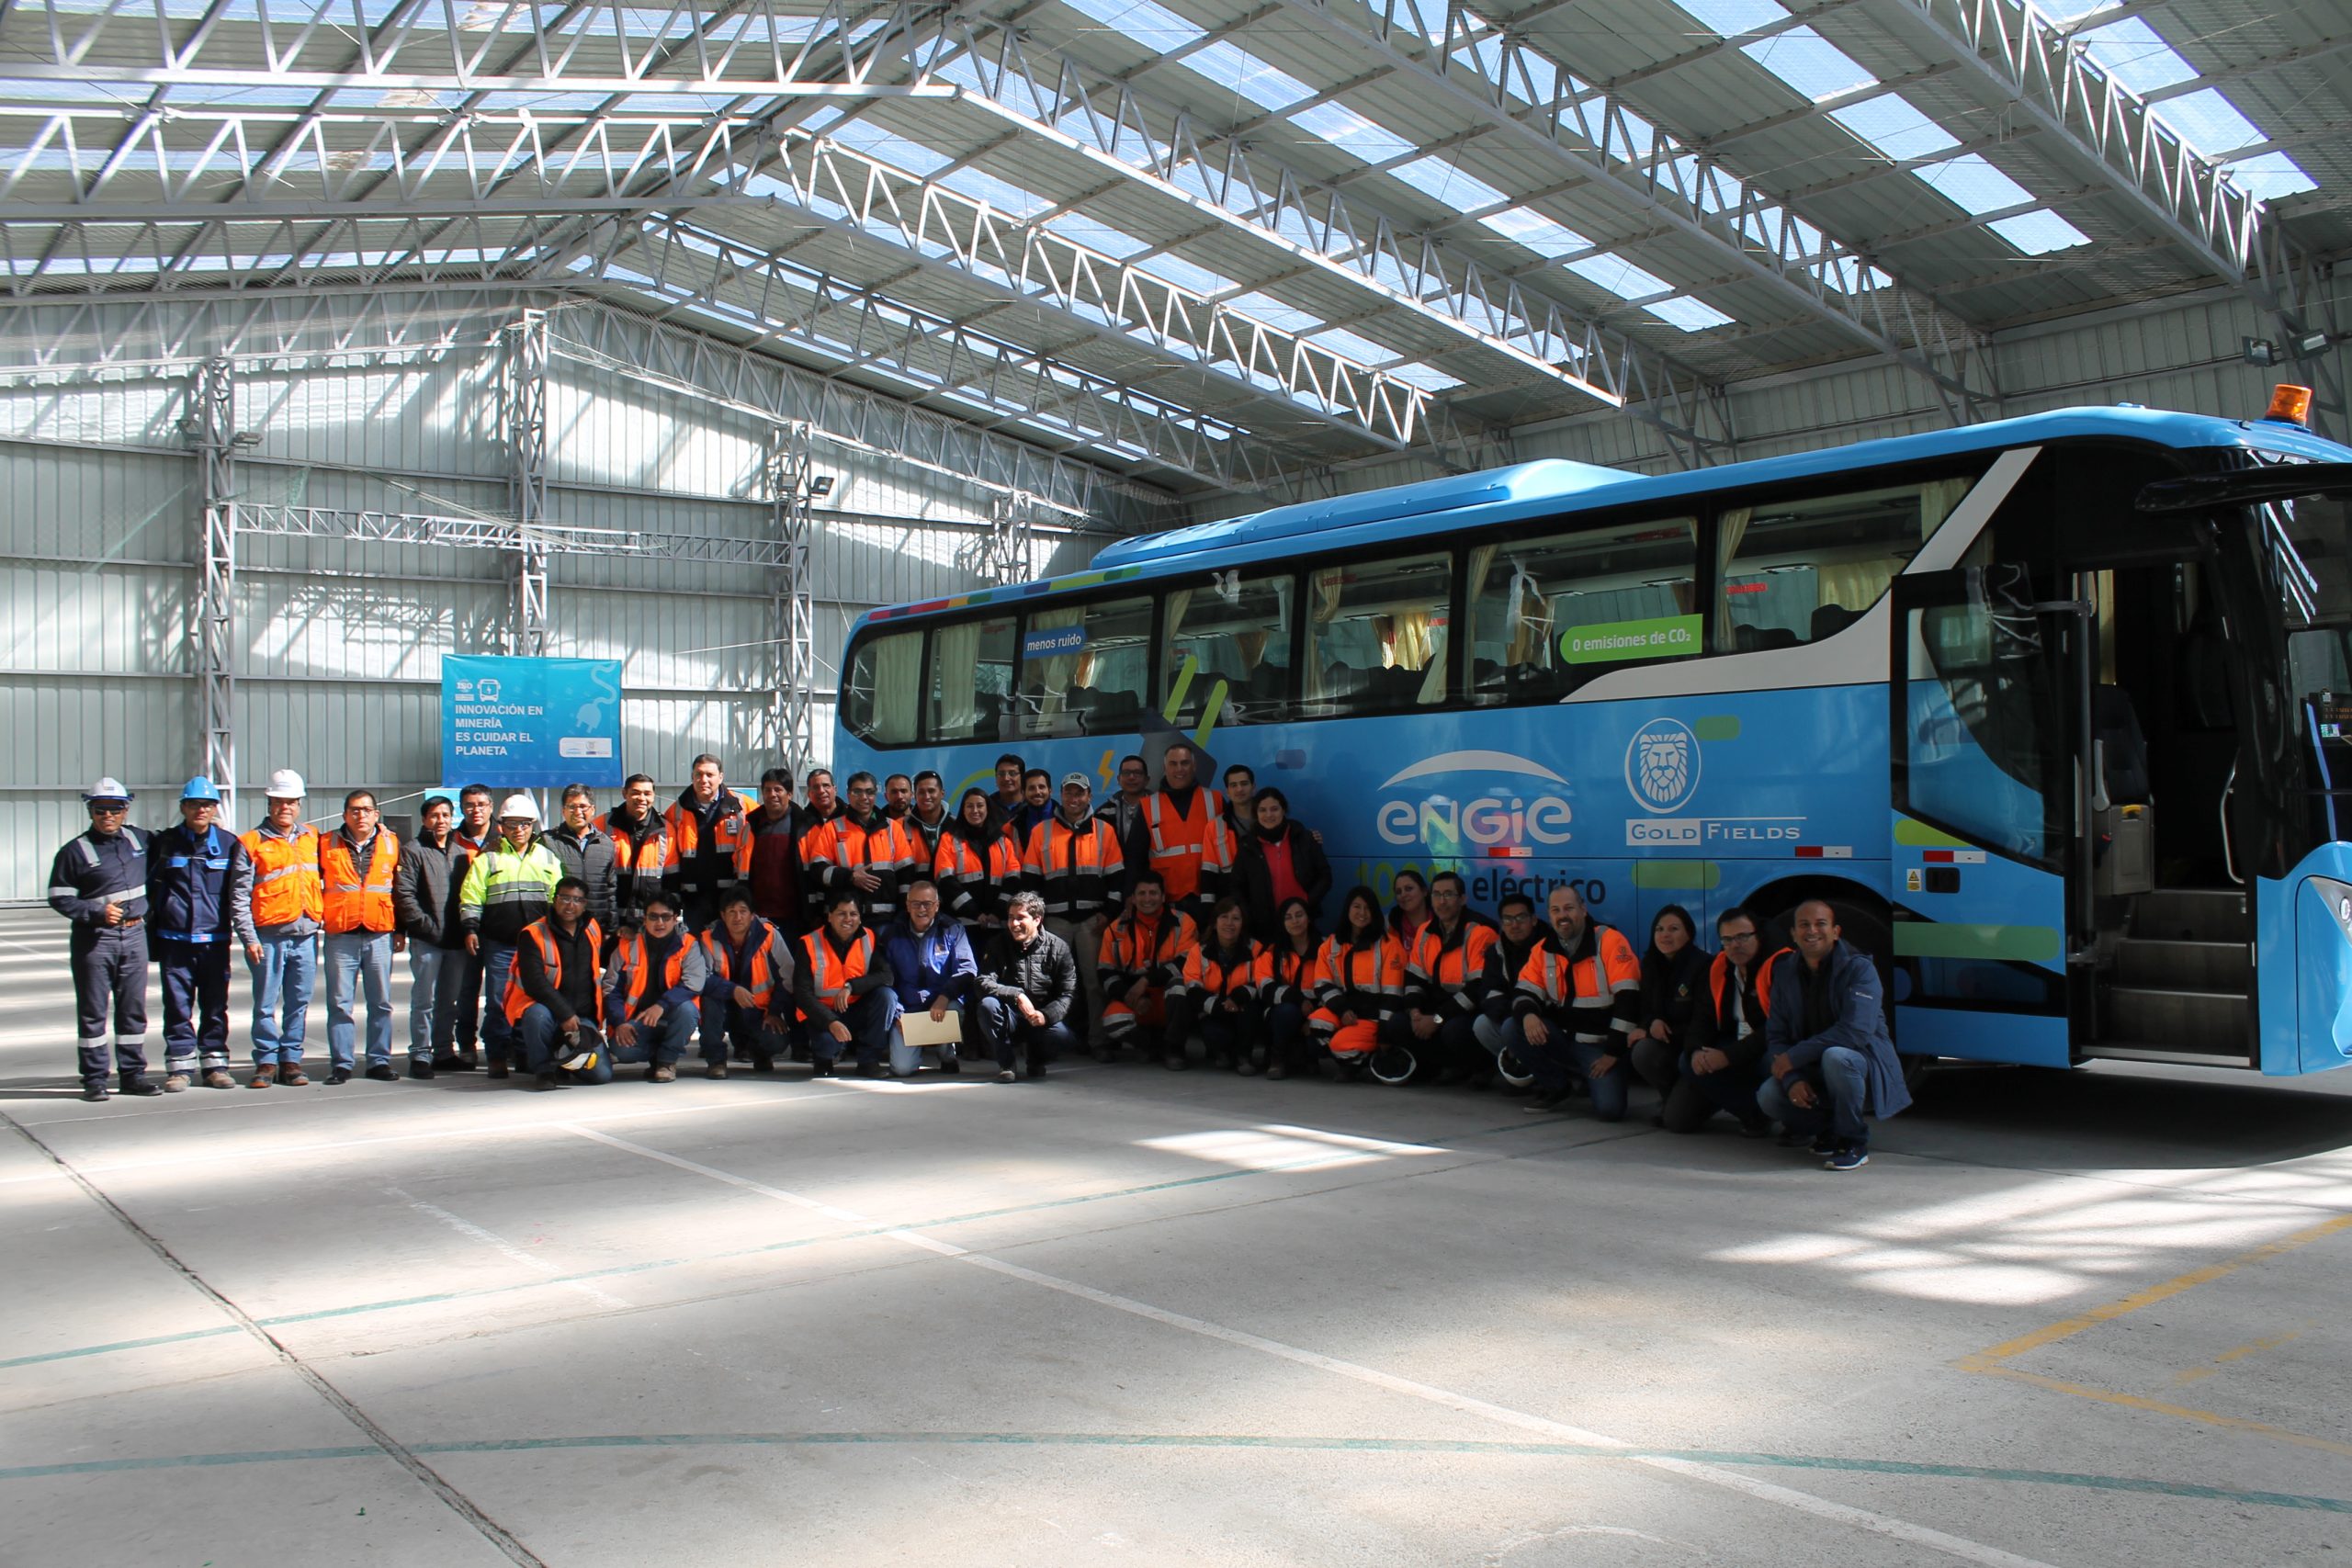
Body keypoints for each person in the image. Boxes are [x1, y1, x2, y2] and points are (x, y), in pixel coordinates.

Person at [1758, 901, 1910, 1170]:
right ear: (1793, 934)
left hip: (1861, 1066)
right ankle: (1826, 1131)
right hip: (1812, 1068)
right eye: (1804, 925)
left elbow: (1855, 1032)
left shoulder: (1859, 968)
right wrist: (1793, 1079)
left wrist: (1793, 1058)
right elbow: (1776, 1035)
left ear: (1836, 931)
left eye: (1820, 924)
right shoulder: (1784, 972)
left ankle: (1854, 1141)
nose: (1812, 930)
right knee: (1768, 1095)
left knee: (1837, 1057)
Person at [50, 777, 156, 1101]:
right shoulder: (74, 852)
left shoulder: (141, 841)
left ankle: (132, 1075)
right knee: (94, 1010)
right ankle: (95, 1079)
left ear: (126, 810)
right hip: (95, 941)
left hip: (136, 936)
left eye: (114, 809)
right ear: (90, 811)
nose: (107, 815)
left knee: (132, 1010)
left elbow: (179, 843)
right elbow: (59, 896)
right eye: (100, 809)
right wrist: (97, 913)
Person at [146, 776, 255, 1091]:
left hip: (214, 942)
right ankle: (179, 1068)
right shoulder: (165, 844)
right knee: (177, 1005)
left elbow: (239, 893)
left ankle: (215, 1065)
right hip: (174, 940)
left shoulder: (230, 844)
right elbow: (147, 885)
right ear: (183, 807)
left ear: (215, 809)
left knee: (214, 1005)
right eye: (194, 804)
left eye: (207, 805)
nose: (201, 810)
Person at [458, 793, 565, 1078]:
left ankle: (525, 1053)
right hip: (499, 944)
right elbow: (471, 896)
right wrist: (470, 928)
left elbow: (557, 899)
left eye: (524, 824)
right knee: (498, 1001)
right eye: (512, 824)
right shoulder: (488, 859)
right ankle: (496, 1054)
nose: (519, 829)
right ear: (501, 826)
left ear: (533, 826)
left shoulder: (547, 858)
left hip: (537, 947)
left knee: (533, 1000)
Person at [1513, 886, 1642, 1119]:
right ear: (1549, 915)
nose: (1563, 915)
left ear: (1583, 909)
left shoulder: (1610, 941)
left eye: (1569, 908)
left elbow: (1629, 999)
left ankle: (1596, 1076)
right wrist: (1529, 1015)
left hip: (1599, 1045)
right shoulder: (1542, 949)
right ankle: (1557, 1087)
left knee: (1610, 1111)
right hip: (1562, 1039)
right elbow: (1525, 989)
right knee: (1513, 1027)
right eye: (1556, 910)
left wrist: (1613, 1052)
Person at [1658, 907, 1787, 1136]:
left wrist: (1727, 1057)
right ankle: (1752, 1113)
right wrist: (1696, 1051)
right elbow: (1702, 1018)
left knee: (1772, 1059)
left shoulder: (1781, 965)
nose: (1735, 945)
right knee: (1682, 1089)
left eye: (1742, 937)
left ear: (1758, 935)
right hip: (1733, 1041)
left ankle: (1777, 1114)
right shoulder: (1719, 966)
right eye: (1727, 940)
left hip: (1768, 1045)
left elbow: (1777, 1028)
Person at [1021, 772, 1125, 1049]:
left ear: (1089, 796)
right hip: (1054, 922)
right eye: (1069, 793)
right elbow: (1031, 881)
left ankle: (1098, 1041)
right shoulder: (1041, 832)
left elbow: (1118, 881)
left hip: (1093, 922)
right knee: (1050, 984)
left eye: (1080, 793)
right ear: (1061, 795)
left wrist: (1108, 915)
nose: (1074, 798)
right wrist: (1037, 921)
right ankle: (1047, 1041)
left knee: (1094, 984)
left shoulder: (1105, 831)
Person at [241, 770, 323, 1089]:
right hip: (268, 936)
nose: (284, 808)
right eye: (278, 802)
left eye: (291, 802)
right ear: (269, 803)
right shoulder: (251, 842)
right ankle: (265, 1062)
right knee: (264, 1003)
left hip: (304, 935)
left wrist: (382, 827)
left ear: (299, 805)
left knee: (298, 1002)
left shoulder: (312, 838)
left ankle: (291, 1060)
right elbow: (239, 895)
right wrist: (248, 937)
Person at [320, 789, 403, 1086]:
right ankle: (342, 1063)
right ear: (344, 815)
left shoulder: (392, 843)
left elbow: (398, 890)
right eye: (355, 810)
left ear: (376, 814)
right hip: (340, 935)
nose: (361, 815)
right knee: (340, 1003)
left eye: (367, 810)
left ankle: (379, 1061)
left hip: (379, 933)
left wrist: (400, 929)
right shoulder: (325, 843)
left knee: (380, 1002)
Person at [1400, 872, 1500, 1085]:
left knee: (1454, 1031)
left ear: (1462, 899)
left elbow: (1477, 990)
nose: (1441, 901)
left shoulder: (1480, 932)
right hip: (1437, 1007)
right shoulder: (1425, 931)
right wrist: (1415, 1011)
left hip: (1469, 1010)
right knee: (1398, 1024)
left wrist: (1436, 1019)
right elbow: (1413, 979)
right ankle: (1447, 1066)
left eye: (1448, 894)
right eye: (1437, 894)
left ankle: (1482, 1068)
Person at [393, 792, 468, 1078]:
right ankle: (420, 1054)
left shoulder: (460, 853)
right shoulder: (413, 850)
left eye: (446, 815)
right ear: (425, 819)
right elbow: (404, 894)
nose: (441, 820)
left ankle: (444, 1051)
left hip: (456, 940)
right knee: (424, 1000)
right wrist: (425, 925)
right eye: (435, 815)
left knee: (449, 1000)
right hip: (428, 939)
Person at [508, 877, 606, 1089]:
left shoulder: (592, 928)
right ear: (554, 900)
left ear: (585, 904)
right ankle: (544, 1070)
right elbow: (534, 983)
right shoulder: (532, 933)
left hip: (582, 1019)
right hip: (549, 1012)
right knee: (537, 1016)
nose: (570, 905)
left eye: (577, 900)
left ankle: (563, 1059)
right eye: (565, 898)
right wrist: (565, 1014)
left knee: (601, 1075)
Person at [1096, 870, 1199, 1066]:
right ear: (1133, 898)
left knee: (1181, 987)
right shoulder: (1116, 928)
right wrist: (1130, 997)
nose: (1147, 898)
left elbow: (1187, 962)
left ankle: (1174, 1051)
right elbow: (1105, 972)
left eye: (1153, 893)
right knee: (1112, 1020)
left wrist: (1147, 981)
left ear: (1163, 896)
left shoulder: (1184, 922)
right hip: (1137, 1000)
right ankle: (1152, 1047)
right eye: (1142, 893)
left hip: (1169, 999)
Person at [1307, 886, 1409, 1079]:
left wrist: (1384, 1034)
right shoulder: (1331, 944)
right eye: (1356, 906)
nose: (1362, 913)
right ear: (1347, 909)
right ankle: (1351, 1058)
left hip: (1374, 1015)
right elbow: (1322, 984)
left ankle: (1362, 1059)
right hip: (1347, 1010)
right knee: (1317, 1022)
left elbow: (1393, 995)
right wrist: (1342, 1010)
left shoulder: (1389, 944)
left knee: (1339, 1045)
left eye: (1367, 908)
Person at [794, 889, 898, 1079]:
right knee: (827, 1046)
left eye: (853, 914)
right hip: (822, 1013)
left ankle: (868, 1062)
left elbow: (886, 976)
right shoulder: (808, 943)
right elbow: (802, 994)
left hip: (856, 1007)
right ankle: (823, 1058)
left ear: (860, 918)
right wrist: (830, 1022)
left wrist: (851, 987)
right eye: (841, 913)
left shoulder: (869, 938)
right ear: (830, 916)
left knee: (887, 996)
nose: (847, 919)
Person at [975, 890, 1078, 1081]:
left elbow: (1067, 994)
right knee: (987, 1006)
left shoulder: (1059, 948)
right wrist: (1017, 995)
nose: (1014, 924)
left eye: (1020, 918)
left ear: (1037, 920)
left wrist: (1045, 1016)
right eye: (1011, 918)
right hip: (1010, 1016)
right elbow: (983, 982)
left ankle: (1036, 1061)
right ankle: (1007, 1064)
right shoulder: (997, 944)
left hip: (1040, 1018)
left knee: (1064, 1038)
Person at [603, 891, 705, 1082]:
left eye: (666, 917)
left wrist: (661, 1006)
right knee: (620, 1051)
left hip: (672, 1017)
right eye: (653, 917)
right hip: (639, 1021)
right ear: (644, 919)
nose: (659, 923)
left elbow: (694, 983)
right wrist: (620, 1023)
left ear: (675, 918)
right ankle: (657, 1056)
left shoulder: (689, 944)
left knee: (688, 1009)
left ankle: (666, 1061)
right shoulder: (627, 945)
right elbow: (611, 989)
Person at [881, 879, 977, 1077]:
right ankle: (913, 1051)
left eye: (927, 904)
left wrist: (943, 998)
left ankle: (947, 1055)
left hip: (942, 1003)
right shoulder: (892, 933)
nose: (921, 909)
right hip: (908, 1007)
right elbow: (885, 978)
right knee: (902, 1069)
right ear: (907, 906)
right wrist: (897, 1013)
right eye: (915, 903)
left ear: (937, 905)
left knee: (953, 1009)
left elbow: (967, 969)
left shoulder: (952, 929)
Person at [695, 890, 795, 1077]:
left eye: (743, 911)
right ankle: (716, 1061)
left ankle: (760, 1053)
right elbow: (702, 978)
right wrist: (733, 990)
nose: (737, 917)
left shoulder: (769, 935)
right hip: (723, 1005)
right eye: (731, 911)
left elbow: (788, 975)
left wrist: (774, 1011)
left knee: (776, 1042)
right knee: (708, 1001)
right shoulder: (708, 938)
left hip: (759, 1009)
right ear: (723, 915)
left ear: (752, 915)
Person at [802, 771, 920, 927]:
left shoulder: (892, 828)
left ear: (875, 795)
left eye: (869, 792)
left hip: (886, 920)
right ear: (848, 795)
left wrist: (903, 914)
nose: (864, 797)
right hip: (845, 920)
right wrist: (850, 877)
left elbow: (906, 875)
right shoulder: (833, 828)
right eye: (857, 792)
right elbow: (818, 870)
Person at [1631, 906, 1708, 1123]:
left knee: (1678, 1123)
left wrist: (1666, 1031)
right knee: (1642, 1051)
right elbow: (1644, 1008)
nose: (1665, 934)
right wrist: (1651, 1022)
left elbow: (1703, 1020)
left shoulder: (1703, 965)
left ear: (1689, 933)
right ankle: (1671, 1098)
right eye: (1659, 929)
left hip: (1693, 1049)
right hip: (1667, 1045)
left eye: (1674, 929)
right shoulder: (1650, 963)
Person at [1142, 741, 1233, 925]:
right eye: (1173, 764)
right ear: (1164, 767)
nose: (1179, 769)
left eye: (1185, 763)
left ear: (1194, 766)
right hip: (1167, 899)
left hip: (1211, 896)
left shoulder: (1215, 799)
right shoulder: (1148, 806)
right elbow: (1136, 855)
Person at [1175, 897, 1263, 1073]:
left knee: (1252, 1012)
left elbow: (1262, 982)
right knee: (1213, 1032)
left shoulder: (1256, 949)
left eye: (1236, 918)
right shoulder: (1198, 950)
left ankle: (1243, 1057)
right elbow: (1192, 988)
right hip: (1213, 1010)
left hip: (1242, 1009)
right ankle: (1220, 1052)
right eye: (1224, 917)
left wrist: (1238, 998)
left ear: (1243, 924)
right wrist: (1218, 1006)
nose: (1229, 923)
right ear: (1214, 923)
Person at [1234, 787, 1329, 941]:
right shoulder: (1247, 846)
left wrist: (1307, 901)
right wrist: (1251, 912)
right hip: (1264, 927)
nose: (1269, 815)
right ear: (1256, 814)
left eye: (1274, 809)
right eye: (1262, 810)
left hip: (1302, 922)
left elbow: (1325, 875)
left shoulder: (1304, 838)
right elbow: (1237, 885)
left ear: (1283, 810)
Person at [665, 753, 748, 931]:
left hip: (733, 900)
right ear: (692, 777)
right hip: (693, 901)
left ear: (721, 777)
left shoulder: (743, 806)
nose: (704, 780)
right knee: (697, 951)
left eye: (709, 775)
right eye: (699, 774)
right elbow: (669, 859)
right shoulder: (675, 811)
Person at [1474, 892, 1547, 1087]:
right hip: (1515, 1018)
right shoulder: (1496, 952)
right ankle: (1518, 1064)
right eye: (1508, 919)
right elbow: (1489, 994)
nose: (1514, 925)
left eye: (1521, 918)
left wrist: (1528, 1017)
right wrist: (1517, 1020)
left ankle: (1547, 1072)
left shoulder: (1549, 947)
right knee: (1481, 1024)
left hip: (1544, 1020)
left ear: (1533, 920)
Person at [447, 783, 496, 1066]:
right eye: (469, 805)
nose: (475, 810)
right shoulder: (451, 842)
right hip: (464, 930)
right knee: (466, 991)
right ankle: (466, 1043)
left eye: (481, 804)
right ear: (461, 809)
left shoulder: (505, 838)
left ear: (490, 807)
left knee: (498, 992)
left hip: (500, 929)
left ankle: (498, 1044)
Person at [934, 786, 1023, 931]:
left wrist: (998, 912)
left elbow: (1013, 879)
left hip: (998, 923)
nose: (975, 810)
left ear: (988, 809)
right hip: (962, 923)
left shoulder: (1003, 841)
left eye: (980, 805)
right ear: (963, 810)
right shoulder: (949, 839)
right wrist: (974, 913)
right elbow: (945, 880)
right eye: (969, 806)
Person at [1251, 897, 1320, 1080]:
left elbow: (1333, 987)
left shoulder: (1325, 950)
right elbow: (1265, 989)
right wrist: (1298, 999)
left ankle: (1309, 1057)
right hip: (1281, 1017)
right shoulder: (1271, 953)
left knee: (1317, 1039)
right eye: (1288, 917)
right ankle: (1277, 1058)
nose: (1295, 921)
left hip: (1315, 1015)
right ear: (1282, 923)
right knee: (1287, 1011)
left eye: (1299, 915)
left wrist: (1315, 1019)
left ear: (1309, 918)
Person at [595, 773, 670, 935]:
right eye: (635, 792)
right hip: (611, 919)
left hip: (652, 922)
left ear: (653, 796)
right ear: (624, 793)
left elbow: (673, 879)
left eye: (647, 793)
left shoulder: (667, 830)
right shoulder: (602, 825)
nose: (641, 798)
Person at [543, 784, 618, 934]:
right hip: (560, 928)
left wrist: (611, 929)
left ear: (593, 809)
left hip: (596, 927)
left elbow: (611, 890)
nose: (578, 812)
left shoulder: (606, 844)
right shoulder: (547, 841)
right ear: (563, 810)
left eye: (583, 806)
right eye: (572, 807)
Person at [741, 767, 805, 935]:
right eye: (768, 790)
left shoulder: (803, 825)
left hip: (795, 914)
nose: (772, 794)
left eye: (778, 789)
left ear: (789, 794)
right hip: (759, 913)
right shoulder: (752, 825)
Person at [1095, 753, 1152, 886]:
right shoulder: (1104, 813)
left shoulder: (1160, 808)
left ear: (1147, 779)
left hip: (1152, 884)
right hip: (1116, 882)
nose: (1131, 777)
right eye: (1126, 773)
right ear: (1118, 779)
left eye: (1137, 773)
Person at [904, 770, 952, 865]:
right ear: (915, 795)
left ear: (942, 793)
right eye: (921, 792)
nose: (927, 796)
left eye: (931, 791)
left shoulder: (957, 825)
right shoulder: (900, 826)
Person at [1386, 868, 1433, 947]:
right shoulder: (1388, 925)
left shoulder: (1441, 923)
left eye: (1409, 889)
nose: (1403, 895)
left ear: (1424, 891)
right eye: (1398, 892)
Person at [1012, 767, 1055, 840]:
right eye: (1031, 788)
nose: (1037, 792)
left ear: (1050, 790)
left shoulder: (1066, 819)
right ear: (1023, 793)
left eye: (1042, 787)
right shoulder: (1013, 826)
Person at [988, 752, 1026, 827]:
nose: (1006, 778)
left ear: (1023, 777)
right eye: (1001, 774)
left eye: (1012, 773)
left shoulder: (1031, 804)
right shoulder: (988, 805)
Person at [1219, 763, 1256, 840]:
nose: (1239, 789)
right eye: (1233, 785)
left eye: (1244, 784)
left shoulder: (1270, 818)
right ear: (1227, 792)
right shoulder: (1215, 827)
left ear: (1253, 787)